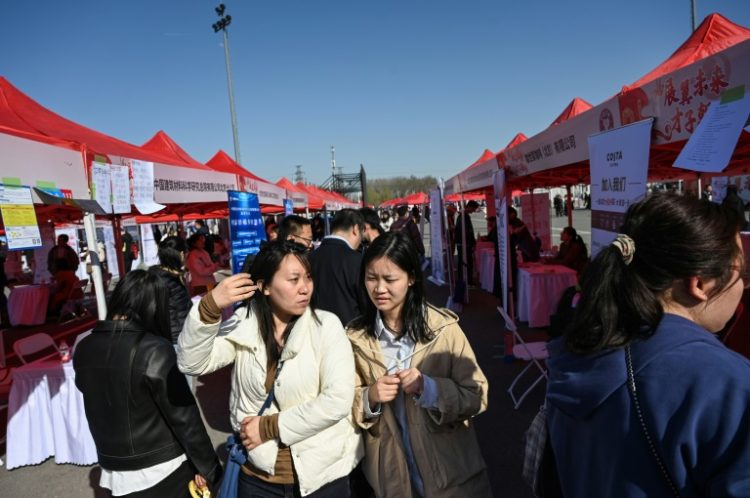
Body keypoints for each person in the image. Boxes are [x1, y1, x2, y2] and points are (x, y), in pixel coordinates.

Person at [545, 193, 750, 497]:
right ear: (701, 284)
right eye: (742, 274)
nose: (744, 286)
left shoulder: (580, 349)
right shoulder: (725, 382)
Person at [178, 240, 362, 497]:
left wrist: (268, 427)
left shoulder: (326, 326)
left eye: (308, 278)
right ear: (264, 287)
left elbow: (338, 400)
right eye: (293, 279)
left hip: (321, 478)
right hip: (258, 475)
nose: (305, 288)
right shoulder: (245, 323)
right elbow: (192, 363)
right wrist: (209, 306)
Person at [348, 232, 491, 497]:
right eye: (371, 278)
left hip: (451, 476)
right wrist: (370, 397)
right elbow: (342, 403)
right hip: (388, 479)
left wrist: (431, 389)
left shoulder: (444, 330)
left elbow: (477, 395)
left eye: (390, 279)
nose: (379, 289)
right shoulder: (355, 337)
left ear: (411, 278)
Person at [74, 270, 222, 498]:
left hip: (112, 466)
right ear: (155, 306)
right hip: (163, 468)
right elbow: (184, 418)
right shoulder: (155, 350)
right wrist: (210, 468)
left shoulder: (84, 346)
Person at [310, 209, 365, 327]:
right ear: (355, 229)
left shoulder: (310, 258)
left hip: (316, 329)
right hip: (350, 332)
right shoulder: (357, 260)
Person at [150, 236, 191, 344]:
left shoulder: (156, 276)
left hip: (162, 337)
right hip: (177, 339)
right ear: (181, 254)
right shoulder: (170, 281)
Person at [47, 233, 81, 314]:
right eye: (58, 240)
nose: (59, 241)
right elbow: (50, 261)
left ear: (65, 241)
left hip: (67, 274)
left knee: (56, 293)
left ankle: (54, 312)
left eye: (61, 240)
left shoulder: (69, 250)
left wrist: (72, 270)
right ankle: (60, 310)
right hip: (58, 273)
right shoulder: (53, 250)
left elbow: (75, 261)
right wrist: (52, 272)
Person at [454, 200, 479, 285]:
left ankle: (464, 279)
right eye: (474, 209)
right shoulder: (464, 216)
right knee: (466, 262)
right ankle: (466, 280)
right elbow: (467, 231)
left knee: (463, 262)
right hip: (464, 243)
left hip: (463, 243)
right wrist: (472, 242)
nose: (474, 211)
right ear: (470, 207)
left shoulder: (462, 216)